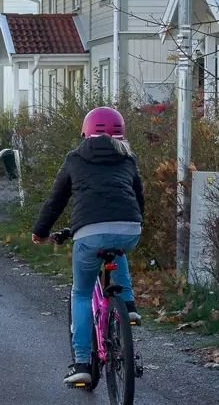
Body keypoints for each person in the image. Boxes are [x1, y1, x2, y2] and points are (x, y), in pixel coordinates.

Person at [30, 106, 145, 387]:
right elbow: (138, 197)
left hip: (89, 233)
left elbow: (56, 201)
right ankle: (127, 304)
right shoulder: (128, 159)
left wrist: (40, 231)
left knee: (81, 293)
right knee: (116, 247)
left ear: (86, 131)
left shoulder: (75, 158)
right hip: (129, 227)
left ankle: (81, 362)